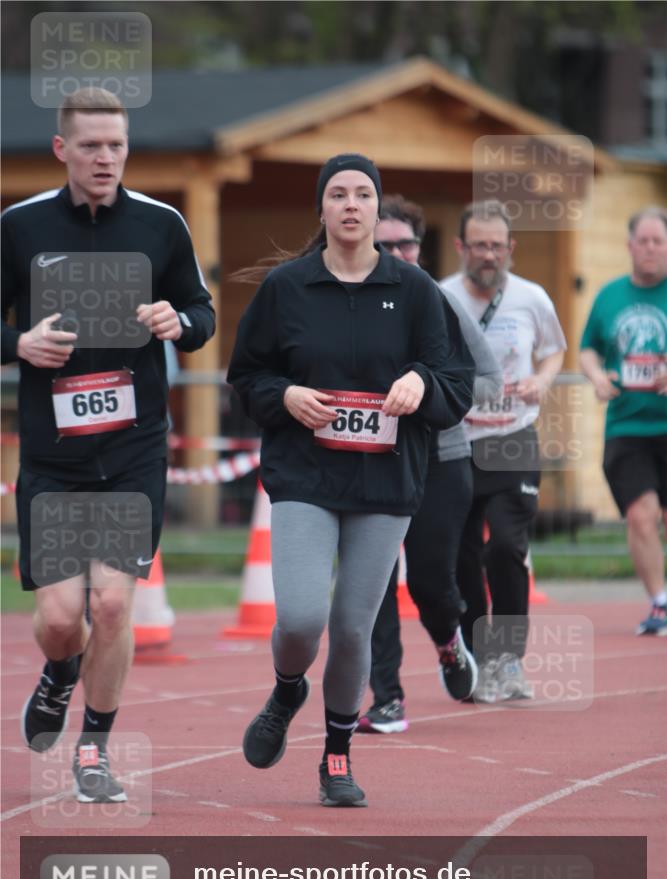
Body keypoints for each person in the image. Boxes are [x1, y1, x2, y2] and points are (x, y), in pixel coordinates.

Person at [227, 153, 474, 806]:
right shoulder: (286, 288)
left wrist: (421, 383)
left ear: (375, 207)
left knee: (353, 627)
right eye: (337, 194)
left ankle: (336, 754)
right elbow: (244, 379)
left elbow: (456, 383)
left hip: (384, 483)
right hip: (306, 475)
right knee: (303, 617)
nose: (350, 205)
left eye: (362, 194)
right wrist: (283, 396)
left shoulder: (416, 291)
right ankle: (287, 689)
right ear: (322, 209)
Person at [1, 88, 215, 802]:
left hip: (133, 448)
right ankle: (61, 673)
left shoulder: (161, 225)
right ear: (62, 149)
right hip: (55, 454)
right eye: (90, 145)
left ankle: (93, 750)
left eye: (116, 145)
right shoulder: (20, 226)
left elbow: (203, 311)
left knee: (114, 607)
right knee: (62, 619)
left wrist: (175, 320)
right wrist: (19, 343)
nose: (105, 158)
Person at [357, 195, 502, 734]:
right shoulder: (354, 301)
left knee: (430, 585)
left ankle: (448, 642)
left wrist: (429, 397)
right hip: (368, 459)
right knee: (370, 581)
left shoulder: (440, 300)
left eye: (406, 243)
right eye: (386, 243)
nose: (396, 252)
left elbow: (488, 380)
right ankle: (387, 698)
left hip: (440, 459)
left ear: (420, 247)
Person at [441, 200, 566, 703]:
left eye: (497, 246)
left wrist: (542, 378)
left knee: (507, 546)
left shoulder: (532, 298)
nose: (488, 255)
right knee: (463, 554)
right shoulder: (440, 297)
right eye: (479, 246)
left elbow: (556, 348)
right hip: (456, 439)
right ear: (461, 248)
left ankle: (509, 659)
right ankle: (475, 657)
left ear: (510, 249)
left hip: (513, 435)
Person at [579, 206, 667, 636]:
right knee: (641, 515)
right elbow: (589, 348)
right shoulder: (610, 296)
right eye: (643, 241)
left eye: (658, 241)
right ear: (631, 246)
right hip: (628, 427)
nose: (650, 248)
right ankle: (660, 601)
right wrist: (597, 376)